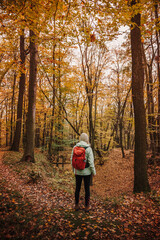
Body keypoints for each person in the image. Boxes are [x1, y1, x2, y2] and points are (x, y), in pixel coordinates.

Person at [71, 133, 96, 212]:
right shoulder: (88, 148)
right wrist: (94, 172)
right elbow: (91, 162)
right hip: (87, 172)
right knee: (87, 189)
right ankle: (87, 206)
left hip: (77, 171)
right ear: (86, 139)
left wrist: (74, 170)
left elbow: (72, 160)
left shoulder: (75, 147)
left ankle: (76, 205)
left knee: (77, 188)